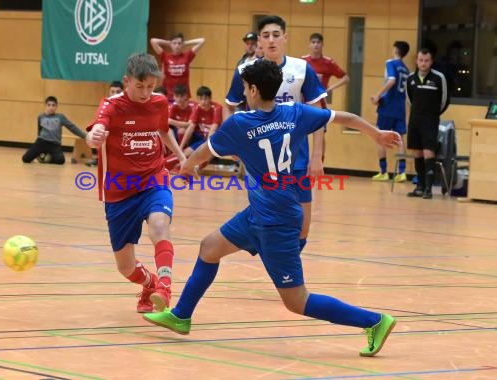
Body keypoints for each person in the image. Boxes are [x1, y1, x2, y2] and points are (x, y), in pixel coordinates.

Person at [143, 59, 400, 357]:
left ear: (252, 89)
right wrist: (376, 134)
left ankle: (375, 322)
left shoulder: (241, 124)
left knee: (296, 300)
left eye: (244, 88)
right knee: (209, 247)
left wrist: (186, 166)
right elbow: (346, 117)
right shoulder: (295, 113)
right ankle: (181, 316)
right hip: (262, 213)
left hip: (275, 221)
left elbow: (205, 151)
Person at [86, 53, 186, 313]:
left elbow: (163, 130)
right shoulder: (111, 105)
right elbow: (95, 131)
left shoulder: (160, 102)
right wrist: (94, 136)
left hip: (153, 179)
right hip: (119, 190)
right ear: (127, 81)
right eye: (140, 86)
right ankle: (150, 283)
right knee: (125, 267)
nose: (145, 93)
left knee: (160, 226)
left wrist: (183, 158)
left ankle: (165, 286)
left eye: (151, 86)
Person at [223, 15, 327, 255]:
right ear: (259, 40)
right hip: (260, 161)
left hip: (297, 158)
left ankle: (288, 271)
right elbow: (229, 105)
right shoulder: (244, 71)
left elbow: (321, 112)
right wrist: (236, 143)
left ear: (285, 38)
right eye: (266, 36)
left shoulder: (300, 69)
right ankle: (280, 267)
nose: (271, 40)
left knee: (303, 225)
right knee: (264, 218)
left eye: (276, 35)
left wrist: (317, 155)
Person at [406, 47, 450, 199]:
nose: (423, 63)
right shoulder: (410, 79)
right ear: (417, 61)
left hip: (430, 120)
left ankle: (429, 189)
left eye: (426, 60)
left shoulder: (439, 78)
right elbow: (410, 99)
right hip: (415, 120)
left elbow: (444, 100)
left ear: (431, 62)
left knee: (428, 152)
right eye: (420, 60)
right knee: (417, 152)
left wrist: (433, 114)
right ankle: (420, 186)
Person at [370, 41, 410, 182]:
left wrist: (378, 96)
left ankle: (384, 172)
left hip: (388, 107)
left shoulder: (391, 63)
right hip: (400, 107)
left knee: (380, 135)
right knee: (400, 139)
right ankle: (402, 172)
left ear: (396, 50)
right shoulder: (406, 69)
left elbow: (392, 80)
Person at [22, 96, 86, 165]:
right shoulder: (40, 116)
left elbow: (72, 127)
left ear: (56, 106)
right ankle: (40, 154)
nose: (51, 107)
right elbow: (39, 131)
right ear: (46, 106)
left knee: (60, 160)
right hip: (41, 142)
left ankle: (46, 158)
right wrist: (37, 146)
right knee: (25, 159)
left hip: (55, 144)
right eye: (49, 105)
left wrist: (84, 135)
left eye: (53, 105)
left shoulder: (60, 117)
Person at [150, 33, 206, 102]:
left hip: (183, 95)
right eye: (174, 43)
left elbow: (202, 41)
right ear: (171, 44)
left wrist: (185, 43)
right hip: (168, 95)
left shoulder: (187, 56)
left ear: (182, 44)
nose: (177, 45)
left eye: (179, 43)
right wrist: (169, 43)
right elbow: (153, 41)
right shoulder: (165, 56)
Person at [301, 33, 349, 108]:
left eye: (318, 42)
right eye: (313, 42)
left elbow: (345, 78)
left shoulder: (328, 62)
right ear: (310, 45)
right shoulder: (303, 60)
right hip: (304, 100)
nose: (316, 45)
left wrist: (330, 88)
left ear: (322, 44)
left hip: (320, 100)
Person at [87, 81, 126, 167]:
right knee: (96, 133)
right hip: (108, 140)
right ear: (109, 92)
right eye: (112, 91)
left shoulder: (127, 107)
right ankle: (97, 158)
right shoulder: (105, 105)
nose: (115, 94)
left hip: (123, 142)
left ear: (123, 92)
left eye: (118, 92)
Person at [180, 86, 222, 158]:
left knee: (197, 156)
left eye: (205, 99)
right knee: (183, 153)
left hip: (212, 138)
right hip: (200, 137)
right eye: (200, 99)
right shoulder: (197, 107)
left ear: (210, 98)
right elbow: (191, 127)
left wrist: (206, 148)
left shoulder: (217, 108)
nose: (203, 102)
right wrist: (180, 147)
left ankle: (206, 157)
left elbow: (213, 129)